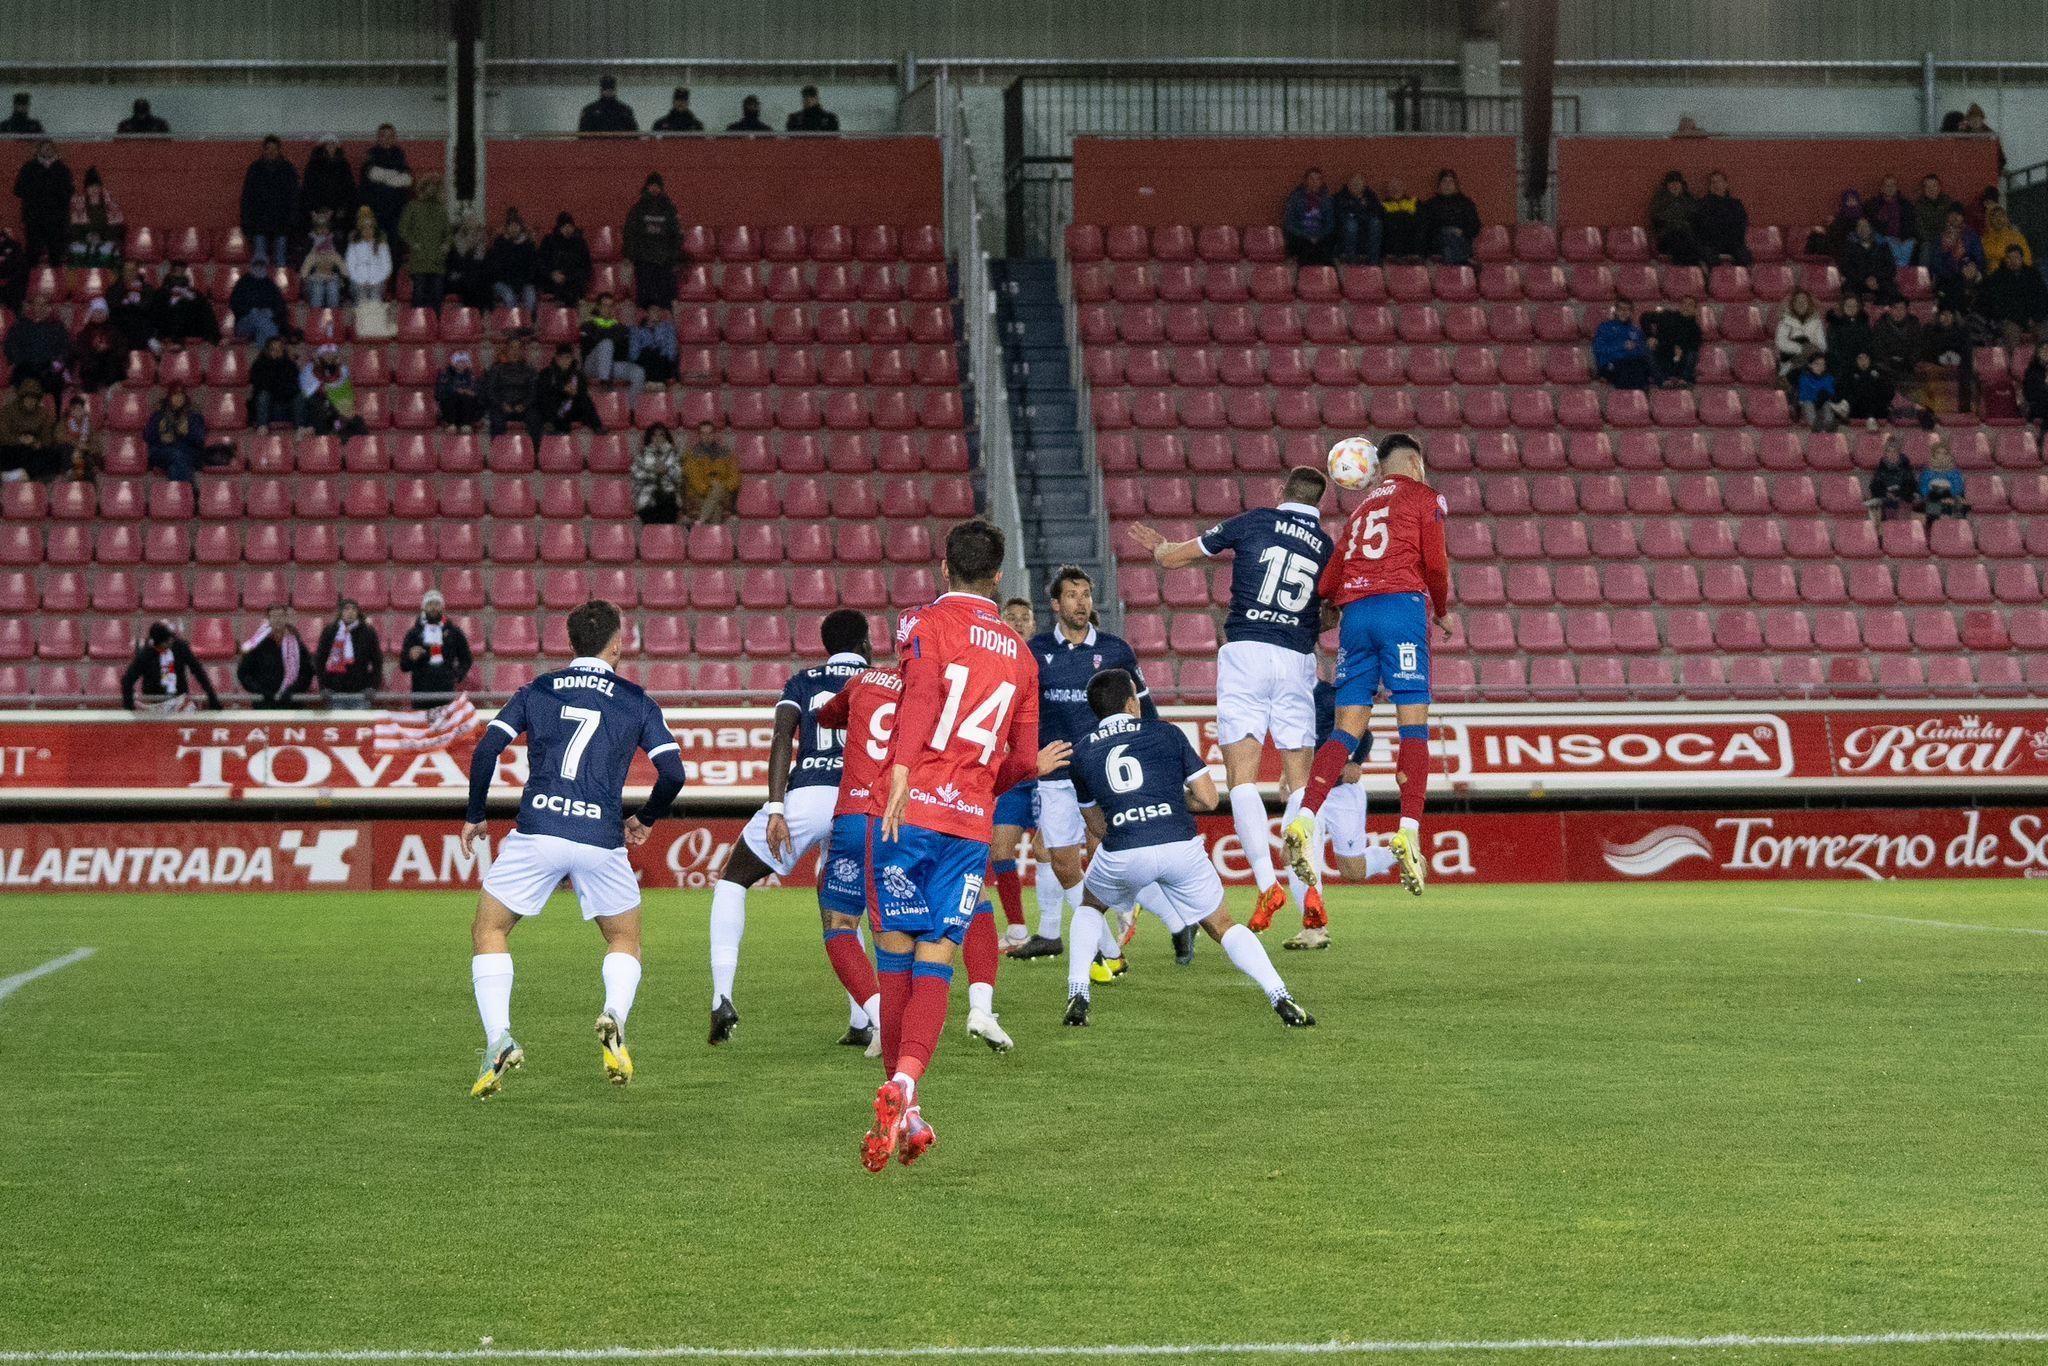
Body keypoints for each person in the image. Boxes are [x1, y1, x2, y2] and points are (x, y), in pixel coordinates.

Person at [861, 519, 1050, 1171]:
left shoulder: (926, 626)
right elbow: (1023, 761)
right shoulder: (1023, 657)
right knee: (938, 959)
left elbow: (916, 705)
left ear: (944, 569)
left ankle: (899, 1100)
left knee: (895, 959)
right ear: (998, 576)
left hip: (907, 812)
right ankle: (907, 1094)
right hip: (969, 823)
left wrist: (906, 772)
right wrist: (977, 785)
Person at [460, 599, 688, 1099]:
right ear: (617, 643)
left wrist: (477, 813)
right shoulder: (635, 699)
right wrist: (645, 820)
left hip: (537, 830)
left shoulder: (537, 689)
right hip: (600, 838)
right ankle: (614, 1015)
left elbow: (485, 751)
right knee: (624, 938)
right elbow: (674, 772)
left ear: (571, 644)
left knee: (490, 930)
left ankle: (499, 1038)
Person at [1128, 465, 1333, 937]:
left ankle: (1266, 885)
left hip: (1247, 652)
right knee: (1299, 786)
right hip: (1298, 657)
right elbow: (1331, 614)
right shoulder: (1325, 547)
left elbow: (1177, 558)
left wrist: (1160, 548)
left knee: (1242, 778)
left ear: (1283, 492)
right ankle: (1313, 910)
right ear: (1319, 503)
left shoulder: (1255, 521)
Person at [1060, 667, 1314, 1030]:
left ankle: (1078, 993)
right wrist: (1165, 801)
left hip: (1124, 849)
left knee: (1090, 905)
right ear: (1131, 702)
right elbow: (1209, 799)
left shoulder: (1082, 752)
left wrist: (1130, 811)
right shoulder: (1166, 733)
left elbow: (1097, 827)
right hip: (1180, 845)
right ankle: (1281, 996)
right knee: (1224, 926)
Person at [1281, 432, 1448, 900]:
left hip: (1356, 618)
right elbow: (1434, 563)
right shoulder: (1424, 496)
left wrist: (1337, 603)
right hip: (1401, 610)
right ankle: (1409, 829)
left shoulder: (1357, 514)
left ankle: (1306, 817)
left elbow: (1328, 581)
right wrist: (1442, 607)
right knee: (1413, 724)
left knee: (1344, 731)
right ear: (1414, 463)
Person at [705, 610, 879, 1047]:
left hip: (809, 795)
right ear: (864, 643)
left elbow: (783, 736)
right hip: (861, 799)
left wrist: (776, 806)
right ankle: (865, 1019)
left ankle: (721, 995)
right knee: (843, 906)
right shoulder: (882, 679)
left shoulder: (803, 681)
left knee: (733, 879)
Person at [1003, 564, 1155, 973]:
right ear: (1055, 604)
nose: (1081, 602)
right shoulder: (1033, 652)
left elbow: (1145, 707)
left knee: (1118, 849)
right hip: (1055, 774)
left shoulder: (1116, 649)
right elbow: (1015, 708)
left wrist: (1152, 749)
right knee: (1062, 859)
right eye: (1072, 595)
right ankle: (1108, 949)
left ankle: (1168, 919)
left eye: (1086, 594)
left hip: (1106, 771)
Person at [988, 597, 1040, 950]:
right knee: (999, 852)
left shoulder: (1042, 661)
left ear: (1034, 624)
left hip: (1046, 775)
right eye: (1012, 617)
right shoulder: (992, 663)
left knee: (1055, 855)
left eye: (1025, 617)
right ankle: (1018, 929)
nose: (1019, 623)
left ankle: (1105, 929)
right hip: (1013, 775)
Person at [122, 621, 221, 713]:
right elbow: (127, 680)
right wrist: (129, 708)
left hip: (179, 701)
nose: (172, 640)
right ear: (160, 642)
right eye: (168, 639)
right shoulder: (146, 654)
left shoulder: (180, 646)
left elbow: (198, 671)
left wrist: (211, 696)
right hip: (155, 704)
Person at [398, 589, 473, 701]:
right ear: (423, 607)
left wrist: (456, 675)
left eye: (437, 604)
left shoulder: (454, 632)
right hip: (420, 692)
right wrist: (411, 657)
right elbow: (403, 665)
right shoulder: (413, 634)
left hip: (446, 691)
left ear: (442, 607)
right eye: (430, 604)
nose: (433, 607)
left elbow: (466, 658)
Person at [622, 171, 682, 309]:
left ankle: (665, 330)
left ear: (661, 188)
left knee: (665, 301)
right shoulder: (637, 209)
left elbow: (677, 235)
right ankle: (644, 329)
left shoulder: (669, 209)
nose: (654, 188)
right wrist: (632, 255)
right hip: (644, 263)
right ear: (647, 187)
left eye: (657, 186)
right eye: (652, 185)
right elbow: (629, 233)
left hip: (664, 262)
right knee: (644, 301)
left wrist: (673, 257)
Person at [239, 135, 299, 268]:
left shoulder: (288, 169)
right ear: (263, 150)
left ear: (279, 150)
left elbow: (294, 197)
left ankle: (281, 288)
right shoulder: (254, 169)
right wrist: (247, 222)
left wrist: (292, 221)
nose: (271, 152)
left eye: (274, 149)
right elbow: (247, 197)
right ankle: (260, 288)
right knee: (259, 260)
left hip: (282, 223)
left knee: (280, 261)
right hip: (259, 223)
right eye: (268, 149)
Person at [13, 139, 73, 269]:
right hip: (34, 218)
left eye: (50, 147)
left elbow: (69, 192)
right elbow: (18, 190)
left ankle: (58, 288)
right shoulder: (28, 168)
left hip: (56, 220)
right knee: (32, 255)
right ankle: (29, 287)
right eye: (44, 147)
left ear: (55, 150)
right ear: (38, 150)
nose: (47, 150)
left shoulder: (62, 169)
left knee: (56, 256)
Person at [236, 605, 311, 707]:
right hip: (264, 703)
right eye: (274, 616)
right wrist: (260, 692)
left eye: (281, 616)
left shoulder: (297, 643)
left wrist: (293, 690)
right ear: (268, 619)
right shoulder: (258, 644)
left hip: (291, 703)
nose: (277, 620)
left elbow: (307, 673)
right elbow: (243, 673)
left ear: (286, 619)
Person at [398, 173, 451, 311]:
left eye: (435, 187)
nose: (431, 190)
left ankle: (436, 327)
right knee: (419, 297)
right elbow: (402, 229)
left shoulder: (441, 210)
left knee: (437, 297)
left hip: (437, 261)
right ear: (422, 188)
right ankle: (419, 327)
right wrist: (413, 243)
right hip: (419, 260)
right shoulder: (412, 207)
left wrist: (446, 244)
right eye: (429, 187)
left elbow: (448, 233)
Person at [579, 293, 645, 402]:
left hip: (611, 365)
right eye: (604, 306)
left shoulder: (621, 328)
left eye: (610, 306)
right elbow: (586, 349)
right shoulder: (587, 326)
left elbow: (622, 354)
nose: (607, 309)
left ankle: (631, 408)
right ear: (598, 307)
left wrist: (605, 338)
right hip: (592, 365)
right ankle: (605, 385)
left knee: (638, 372)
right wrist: (610, 339)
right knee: (606, 344)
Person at [315, 600, 382, 706]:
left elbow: (377, 661)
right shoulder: (329, 631)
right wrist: (323, 686)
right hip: (334, 692)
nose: (350, 612)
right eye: (346, 609)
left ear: (358, 612)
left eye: (353, 609)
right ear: (341, 612)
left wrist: (373, 686)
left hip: (361, 692)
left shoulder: (368, 632)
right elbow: (320, 660)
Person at [3, 293, 68, 397]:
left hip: (49, 367)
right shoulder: (20, 326)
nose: (40, 308)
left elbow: (64, 348)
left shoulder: (57, 327)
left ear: (49, 308)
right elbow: (10, 346)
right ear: (31, 306)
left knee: (55, 381)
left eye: (44, 305)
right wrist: (20, 361)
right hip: (26, 366)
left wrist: (56, 363)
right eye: (37, 304)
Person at [1980, 244, 2048, 342]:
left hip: (2034, 318)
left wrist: (2036, 317)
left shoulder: (2033, 274)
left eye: (2016, 257)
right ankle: (2015, 357)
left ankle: (2041, 357)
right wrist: (2023, 320)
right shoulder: (1998, 277)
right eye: (2009, 258)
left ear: (2022, 258)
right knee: (2011, 333)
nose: (2013, 261)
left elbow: (2043, 298)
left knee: (2044, 331)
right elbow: (2000, 305)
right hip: (2011, 320)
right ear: (2005, 259)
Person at [0, 379, 65, 479]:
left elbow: (47, 439)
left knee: (53, 456)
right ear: (22, 398)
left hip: (33, 450)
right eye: (28, 398)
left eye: (34, 399)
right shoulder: (8, 411)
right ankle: (16, 474)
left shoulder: (44, 414)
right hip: (12, 447)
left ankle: (21, 474)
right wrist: (19, 440)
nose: (31, 401)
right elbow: (4, 434)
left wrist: (36, 442)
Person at [359, 124, 413, 243]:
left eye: (390, 136)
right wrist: (396, 175)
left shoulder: (400, 154)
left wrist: (383, 177)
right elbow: (372, 174)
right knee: (377, 244)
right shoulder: (371, 154)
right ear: (378, 137)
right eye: (384, 136)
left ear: (395, 137)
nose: (387, 139)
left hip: (397, 210)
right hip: (376, 211)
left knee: (395, 245)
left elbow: (407, 179)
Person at [144, 384, 206, 484]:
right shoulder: (159, 414)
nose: (179, 398)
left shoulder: (193, 416)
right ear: (169, 397)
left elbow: (199, 440)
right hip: (163, 451)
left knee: (175, 466)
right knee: (177, 456)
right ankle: (188, 491)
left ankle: (181, 494)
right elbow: (147, 436)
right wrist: (161, 437)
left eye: (181, 396)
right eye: (175, 395)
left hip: (187, 452)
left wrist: (187, 433)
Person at [1418, 168, 1481, 266]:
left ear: (1456, 185)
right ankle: (1463, 265)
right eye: (1444, 181)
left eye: (1451, 181)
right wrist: (1425, 255)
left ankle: (1454, 268)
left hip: (1461, 241)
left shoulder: (1466, 203)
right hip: (1437, 243)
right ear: (1439, 185)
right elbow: (1424, 229)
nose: (1447, 185)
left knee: (1449, 248)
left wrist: (1462, 231)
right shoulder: (1430, 205)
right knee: (1447, 236)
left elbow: (1476, 226)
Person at [536, 343, 602, 434]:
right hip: (553, 409)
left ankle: (598, 427)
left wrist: (575, 393)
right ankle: (552, 425)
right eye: (561, 358)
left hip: (571, 409)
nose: (564, 361)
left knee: (585, 399)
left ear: (571, 359)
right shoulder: (546, 373)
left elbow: (583, 392)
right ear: (556, 358)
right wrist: (562, 388)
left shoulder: (578, 375)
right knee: (548, 399)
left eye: (567, 357)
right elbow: (541, 392)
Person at [681, 418, 737, 523]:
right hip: (699, 495)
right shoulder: (691, 454)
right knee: (717, 508)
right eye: (703, 434)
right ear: (699, 435)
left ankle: (701, 521)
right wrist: (712, 488)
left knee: (717, 491)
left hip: (723, 492)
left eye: (710, 433)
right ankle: (710, 534)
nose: (707, 437)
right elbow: (695, 480)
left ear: (715, 434)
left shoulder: (726, 453)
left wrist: (721, 487)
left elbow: (735, 477)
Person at [1691, 170, 1751, 265]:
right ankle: (1716, 279)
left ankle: (1741, 278)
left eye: (1719, 181)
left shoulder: (1736, 204)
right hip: (1711, 243)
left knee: (1744, 255)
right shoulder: (1703, 204)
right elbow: (1701, 226)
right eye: (1713, 182)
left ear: (1726, 184)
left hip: (1732, 242)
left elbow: (1741, 224)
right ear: (1709, 187)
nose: (1716, 185)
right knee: (1707, 254)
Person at [487, 207, 541, 313]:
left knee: (530, 298)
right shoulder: (500, 243)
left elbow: (533, 266)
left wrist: (523, 281)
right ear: (507, 228)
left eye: (516, 226)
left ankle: (527, 325)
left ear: (520, 227)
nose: (513, 228)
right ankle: (514, 325)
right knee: (509, 297)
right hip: (503, 281)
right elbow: (496, 267)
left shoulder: (528, 244)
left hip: (524, 281)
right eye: (511, 226)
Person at [228, 256, 290, 346]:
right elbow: (234, 304)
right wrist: (251, 311)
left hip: (265, 322)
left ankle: (266, 350)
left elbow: (281, 305)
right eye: (257, 265)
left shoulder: (270, 285)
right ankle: (276, 345)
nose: (259, 268)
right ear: (251, 267)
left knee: (263, 329)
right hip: (244, 324)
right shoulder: (242, 283)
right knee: (257, 317)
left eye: (262, 266)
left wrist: (271, 312)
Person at [152, 259, 217, 344]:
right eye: (176, 272)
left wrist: (188, 296)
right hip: (168, 328)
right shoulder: (161, 293)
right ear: (171, 273)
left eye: (182, 272)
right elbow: (157, 314)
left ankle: (213, 338)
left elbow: (205, 310)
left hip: (189, 327)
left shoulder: (194, 293)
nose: (179, 275)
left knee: (203, 303)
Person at [67, 298, 123, 393]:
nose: (99, 315)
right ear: (91, 315)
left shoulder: (114, 332)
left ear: (106, 315)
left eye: (102, 312)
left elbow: (120, 350)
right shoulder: (84, 333)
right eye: (96, 312)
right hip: (90, 372)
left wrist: (107, 350)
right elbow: (78, 351)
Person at [1644, 295, 1703, 386]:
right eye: (1684, 304)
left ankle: (1683, 380)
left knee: (1693, 354)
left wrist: (1681, 350)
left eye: (1690, 305)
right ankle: (1662, 381)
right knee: (1647, 349)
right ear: (1680, 306)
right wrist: (1650, 336)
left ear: (1695, 310)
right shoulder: (1667, 316)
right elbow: (1645, 317)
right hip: (1663, 357)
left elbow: (1694, 347)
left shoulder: (1696, 329)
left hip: (1680, 364)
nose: (1686, 307)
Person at [1646, 169, 1702, 265]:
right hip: (1666, 238)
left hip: (1686, 237)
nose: (1675, 186)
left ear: (1682, 185)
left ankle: (1685, 271)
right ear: (1666, 186)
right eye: (1671, 183)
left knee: (1686, 241)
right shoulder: (1660, 200)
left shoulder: (1689, 199)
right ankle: (1692, 270)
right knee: (1680, 239)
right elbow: (1657, 219)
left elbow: (1696, 217)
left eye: (1677, 183)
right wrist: (1679, 223)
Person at [1593, 300, 1651, 389]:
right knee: (1626, 371)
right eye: (1621, 309)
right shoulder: (1605, 327)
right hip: (1610, 363)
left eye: (1627, 309)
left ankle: (1639, 400)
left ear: (1631, 313)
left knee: (1642, 368)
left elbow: (1641, 350)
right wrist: (1622, 347)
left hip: (1631, 363)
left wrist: (1633, 349)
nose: (1624, 312)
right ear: (1616, 311)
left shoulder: (1635, 330)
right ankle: (1625, 399)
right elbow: (1599, 349)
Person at [299, 134, 356, 227]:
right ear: (322, 147)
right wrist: (314, 209)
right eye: (327, 144)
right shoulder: (313, 165)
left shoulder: (344, 165)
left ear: (337, 147)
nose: (330, 147)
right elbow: (308, 188)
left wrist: (342, 208)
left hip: (339, 212)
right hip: (317, 213)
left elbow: (349, 189)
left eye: (333, 144)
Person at [631, 423, 683, 523]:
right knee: (649, 510)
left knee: (668, 504)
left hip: (669, 497)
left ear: (666, 437)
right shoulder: (642, 454)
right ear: (650, 437)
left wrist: (667, 471)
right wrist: (655, 472)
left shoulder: (674, 454)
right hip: (647, 497)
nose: (658, 438)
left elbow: (679, 477)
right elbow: (637, 475)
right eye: (654, 435)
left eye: (661, 435)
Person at [1838, 215, 1897, 303]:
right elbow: (1846, 268)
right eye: (1859, 226)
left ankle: (1882, 313)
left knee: (1891, 289)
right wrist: (1865, 279)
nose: (1862, 229)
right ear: (1856, 229)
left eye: (1865, 226)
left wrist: (1876, 278)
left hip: (1878, 280)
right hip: (1857, 281)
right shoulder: (1850, 245)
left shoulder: (1882, 245)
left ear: (1871, 228)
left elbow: (1891, 267)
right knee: (1848, 288)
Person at [249, 333, 303, 429]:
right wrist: (275, 367)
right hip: (268, 409)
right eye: (273, 350)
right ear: (267, 351)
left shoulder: (290, 366)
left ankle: (300, 427)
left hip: (286, 407)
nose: (276, 352)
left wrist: (279, 388)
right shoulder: (259, 365)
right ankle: (262, 427)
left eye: (279, 350)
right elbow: (261, 386)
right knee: (263, 395)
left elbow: (294, 387)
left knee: (299, 396)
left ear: (283, 350)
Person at [1281, 168, 1333, 266]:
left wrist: (1319, 235)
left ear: (1321, 182)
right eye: (1311, 179)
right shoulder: (1295, 198)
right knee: (1305, 252)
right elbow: (1289, 223)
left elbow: (1330, 223)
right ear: (1305, 181)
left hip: (1320, 236)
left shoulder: (1327, 199)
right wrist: (1306, 235)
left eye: (1318, 179)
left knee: (1327, 256)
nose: (1314, 182)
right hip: (1301, 235)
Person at [538, 211, 592, 306]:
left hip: (574, 281)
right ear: (559, 228)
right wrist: (552, 274)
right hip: (553, 281)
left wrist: (569, 277)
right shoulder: (548, 241)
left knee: (571, 289)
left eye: (570, 226)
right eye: (564, 227)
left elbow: (586, 267)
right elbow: (540, 263)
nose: (567, 230)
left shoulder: (580, 242)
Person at [1331, 172, 1382, 266]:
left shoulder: (1371, 197)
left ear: (1364, 185)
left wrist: (1356, 211)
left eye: (1359, 182)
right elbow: (1340, 215)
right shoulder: (1341, 196)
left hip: (1366, 228)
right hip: (1346, 230)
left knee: (1376, 223)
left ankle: (1373, 262)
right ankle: (1351, 261)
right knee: (1351, 225)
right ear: (1348, 184)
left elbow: (1377, 212)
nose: (1356, 185)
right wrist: (1359, 207)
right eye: (1354, 183)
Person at [300, 206, 346, 310]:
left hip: (332, 275)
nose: (322, 230)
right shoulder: (309, 241)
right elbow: (306, 263)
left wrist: (342, 276)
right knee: (317, 289)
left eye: (324, 227)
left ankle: (333, 316)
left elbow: (340, 262)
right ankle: (316, 317)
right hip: (314, 277)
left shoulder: (335, 241)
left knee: (333, 288)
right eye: (319, 227)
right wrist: (305, 278)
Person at [344, 204, 393, 303]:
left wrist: (374, 281)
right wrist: (360, 280)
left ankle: (375, 317)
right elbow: (349, 265)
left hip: (377, 280)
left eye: (370, 227)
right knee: (361, 299)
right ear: (360, 229)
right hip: (358, 281)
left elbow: (387, 266)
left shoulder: (381, 244)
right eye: (364, 228)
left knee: (375, 298)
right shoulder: (354, 244)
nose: (367, 231)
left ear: (374, 228)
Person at [1919, 437, 1969, 530]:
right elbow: (1923, 489)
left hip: (1951, 498)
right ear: (1933, 454)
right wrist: (1939, 498)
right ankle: (1934, 533)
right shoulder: (1927, 471)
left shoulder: (1954, 472)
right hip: (1932, 498)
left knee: (1958, 506)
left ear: (1948, 455)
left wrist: (1950, 497)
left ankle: (1953, 531)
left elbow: (1958, 487)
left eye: (1944, 453)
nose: (1941, 455)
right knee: (1933, 506)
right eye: (1938, 452)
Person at [1774, 289, 1826, 380]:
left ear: (1808, 303)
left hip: (1812, 361)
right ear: (1793, 303)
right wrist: (1802, 349)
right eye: (1798, 301)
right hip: (1791, 361)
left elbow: (1822, 345)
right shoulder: (1785, 320)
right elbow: (1781, 343)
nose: (1801, 303)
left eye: (1804, 301)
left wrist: (1810, 350)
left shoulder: (1816, 321)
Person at [444, 214, 493, 310]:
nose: (472, 223)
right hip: (459, 273)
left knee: (482, 282)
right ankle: (472, 313)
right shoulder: (457, 239)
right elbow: (457, 259)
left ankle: (481, 314)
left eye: (474, 220)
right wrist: (469, 245)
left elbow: (483, 260)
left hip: (477, 273)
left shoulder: (482, 238)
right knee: (470, 282)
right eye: (469, 221)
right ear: (464, 224)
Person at [1913, 174, 1963, 266]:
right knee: (1926, 249)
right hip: (1928, 241)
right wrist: (1936, 240)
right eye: (1928, 186)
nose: (1931, 189)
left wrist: (1945, 238)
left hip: (1947, 238)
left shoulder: (1947, 202)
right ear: (1924, 189)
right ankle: (1923, 279)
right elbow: (1919, 228)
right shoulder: (1919, 205)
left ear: (1939, 187)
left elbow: (1953, 222)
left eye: (1934, 186)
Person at [1867, 174, 1915, 267]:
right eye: (1887, 185)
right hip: (1882, 236)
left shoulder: (1905, 204)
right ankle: (1899, 269)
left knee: (1910, 242)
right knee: (1888, 242)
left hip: (1902, 237)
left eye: (1893, 185)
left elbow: (1909, 223)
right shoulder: (1873, 205)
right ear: (1881, 188)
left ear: (1897, 188)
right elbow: (1872, 224)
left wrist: (1902, 238)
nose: (1890, 188)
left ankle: (1899, 269)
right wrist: (1889, 237)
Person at [1866, 438, 1919, 523]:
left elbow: (1911, 485)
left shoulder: (1906, 468)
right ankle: (1880, 531)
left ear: (1899, 453)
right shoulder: (1881, 469)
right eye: (1889, 451)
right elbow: (1874, 486)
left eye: (1894, 451)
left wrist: (1899, 494)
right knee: (1875, 505)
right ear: (1885, 453)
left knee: (1905, 504)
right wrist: (1886, 493)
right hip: (1885, 497)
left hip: (1902, 498)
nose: (1892, 454)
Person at [107, 261, 155, 352]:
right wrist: (124, 292)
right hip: (121, 325)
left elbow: (148, 307)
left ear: (137, 271)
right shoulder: (114, 288)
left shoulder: (147, 288)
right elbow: (113, 306)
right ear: (122, 272)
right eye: (126, 270)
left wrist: (135, 303)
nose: (129, 273)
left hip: (140, 325)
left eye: (132, 270)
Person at [1824, 292, 1875, 376]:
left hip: (1862, 359)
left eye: (1854, 306)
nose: (1852, 308)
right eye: (1848, 306)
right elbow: (1833, 348)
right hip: (1842, 362)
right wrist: (1852, 361)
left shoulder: (1863, 322)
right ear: (1843, 307)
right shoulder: (1835, 323)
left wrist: (1864, 357)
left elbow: (1869, 343)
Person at [1796, 353, 1847, 433]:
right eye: (1817, 364)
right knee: (1808, 404)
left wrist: (1824, 397)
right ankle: (1816, 428)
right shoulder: (1804, 377)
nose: (1820, 367)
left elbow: (1831, 393)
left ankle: (1829, 426)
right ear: (1810, 365)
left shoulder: (1828, 378)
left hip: (1822, 405)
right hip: (1808, 407)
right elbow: (1804, 396)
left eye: (1822, 364)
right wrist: (1818, 397)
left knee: (1827, 404)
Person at [629, 302, 678, 383]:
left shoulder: (669, 328)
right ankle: (655, 383)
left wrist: (658, 330)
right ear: (647, 313)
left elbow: (671, 353)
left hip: (663, 362)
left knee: (656, 352)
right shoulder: (636, 330)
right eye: (653, 310)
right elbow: (633, 355)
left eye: (659, 310)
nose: (657, 313)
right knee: (648, 351)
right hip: (645, 362)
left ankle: (653, 383)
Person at [436, 349, 484, 430]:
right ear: (454, 363)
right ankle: (451, 424)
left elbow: (478, 390)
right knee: (453, 397)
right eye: (459, 362)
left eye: (464, 362)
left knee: (467, 398)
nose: (461, 364)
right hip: (450, 408)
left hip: (467, 409)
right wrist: (455, 391)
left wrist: (472, 393)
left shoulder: (472, 376)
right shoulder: (446, 375)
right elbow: (439, 392)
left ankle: (466, 424)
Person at [1840, 350, 1894, 424]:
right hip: (1856, 406)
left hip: (1874, 405)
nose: (1863, 361)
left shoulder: (1876, 372)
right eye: (1860, 359)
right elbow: (1846, 390)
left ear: (1869, 360)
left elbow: (1887, 390)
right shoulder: (1851, 373)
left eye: (1865, 359)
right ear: (1856, 360)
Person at [1378, 176, 1421, 259]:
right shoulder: (1382, 205)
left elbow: (1419, 221)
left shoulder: (1414, 202)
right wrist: (1406, 215)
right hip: (1390, 250)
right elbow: (1386, 223)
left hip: (1412, 248)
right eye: (1393, 187)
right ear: (1388, 190)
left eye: (1399, 186)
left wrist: (1396, 216)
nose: (1396, 189)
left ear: (1404, 188)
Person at [60, 393, 101, 479]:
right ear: (71, 410)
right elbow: (60, 437)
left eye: (80, 409)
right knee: (65, 447)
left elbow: (95, 444)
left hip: (84, 453)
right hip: (70, 453)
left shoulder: (88, 423)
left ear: (83, 410)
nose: (77, 412)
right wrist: (76, 446)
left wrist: (85, 448)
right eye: (74, 409)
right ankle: (70, 472)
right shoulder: (65, 422)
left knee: (87, 458)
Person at [1981, 204, 2031, 268]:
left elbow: (2027, 260)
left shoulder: (2016, 237)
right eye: (1994, 216)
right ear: (1989, 220)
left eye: (2001, 215)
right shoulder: (1985, 239)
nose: (1998, 219)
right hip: (1991, 275)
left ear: (2006, 218)